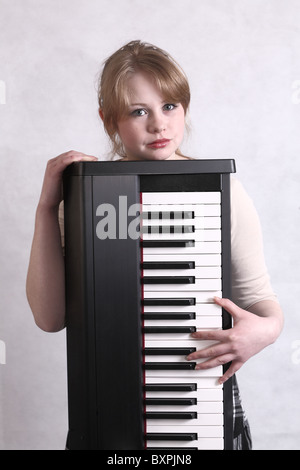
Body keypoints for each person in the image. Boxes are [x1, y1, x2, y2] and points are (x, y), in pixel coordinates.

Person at [26, 40, 284, 450]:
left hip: (202, 405)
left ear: (184, 110)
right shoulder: (83, 199)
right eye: (138, 111)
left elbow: (263, 303)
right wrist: (46, 207)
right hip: (109, 408)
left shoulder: (226, 192)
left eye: (169, 107)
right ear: (109, 120)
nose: (159, 125)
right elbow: (49, 317)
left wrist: (262, 332)